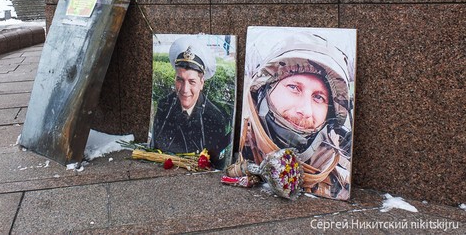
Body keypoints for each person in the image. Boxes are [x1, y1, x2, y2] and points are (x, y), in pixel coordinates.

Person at [240, 32, 353, 200]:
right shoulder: (236, 148)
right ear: (265, 90)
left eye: (318, 97)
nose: (305, 110)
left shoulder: (340, 181)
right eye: (294, 88)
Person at [150, 36, 231, 169]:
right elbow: (158, 145)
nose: (185, 89)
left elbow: (214, 165)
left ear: (202, 83)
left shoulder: (215, 118)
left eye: (192, 81)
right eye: (180, 80)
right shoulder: (164, 105)